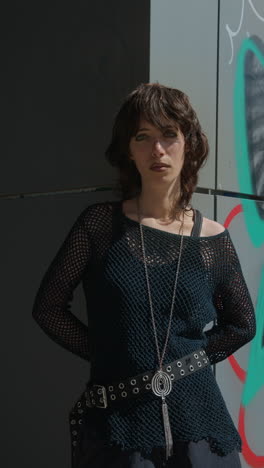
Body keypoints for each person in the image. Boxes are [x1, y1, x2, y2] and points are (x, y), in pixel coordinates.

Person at [32, 83, 256, 468]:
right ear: (128, 150)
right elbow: (48, 308)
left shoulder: (213, 240)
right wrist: (110, 357)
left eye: (169, 134)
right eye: (143, 137)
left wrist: (189, 363)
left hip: (201, 428)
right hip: (120, 429)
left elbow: (243, 325)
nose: (158, 149)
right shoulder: (100, 226)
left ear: (189, 145)